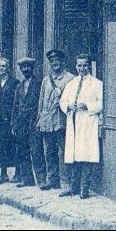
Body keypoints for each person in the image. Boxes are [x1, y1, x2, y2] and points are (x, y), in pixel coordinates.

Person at [59, 54, 104, 199]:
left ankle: (85, 188)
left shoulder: (97, 84)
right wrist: (67, 105)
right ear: (75, 66)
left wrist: (88, 106)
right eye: (79, 65)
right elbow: (62, 101)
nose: (82, 68)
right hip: (73, 122)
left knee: (87, 156)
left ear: (89, 66)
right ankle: (73, 187)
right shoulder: (71, 83)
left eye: (85, 65)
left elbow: (102, 104)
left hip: (87, 123)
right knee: (74, 156)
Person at [37, 48, 74, 191]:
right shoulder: (46, 80)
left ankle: (70, 182)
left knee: (65, 151)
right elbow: (41, 101)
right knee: (50, 152)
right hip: (47, 122)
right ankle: (53, 180)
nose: (54, 64)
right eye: (52, 61)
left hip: (61, 121)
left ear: (62, 61)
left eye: (57, 61)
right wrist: (40, 118)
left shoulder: (70, 78)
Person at [12, 57, 44, 187]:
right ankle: (27, 179)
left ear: (32, 68)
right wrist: (14, 124)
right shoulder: (19, 86)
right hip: (21, 124)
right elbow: (15, 106)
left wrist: (38, 119)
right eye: (23, 68)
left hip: (33, 122)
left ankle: (41, 179)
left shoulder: (39, 84)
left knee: (37, 151)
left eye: (28, 67)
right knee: (22, 152)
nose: (25, 70)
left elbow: (41, 104)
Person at [0, 58, 19, 184]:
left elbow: (17, 103)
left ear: (8, 68)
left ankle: (18, 174)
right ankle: (3, 174)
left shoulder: (14, 83)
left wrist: (14, 120)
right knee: (0, 146)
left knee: (13, 146)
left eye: (4, 66)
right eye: (0, 66)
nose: (2, 68)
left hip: (10, 120)